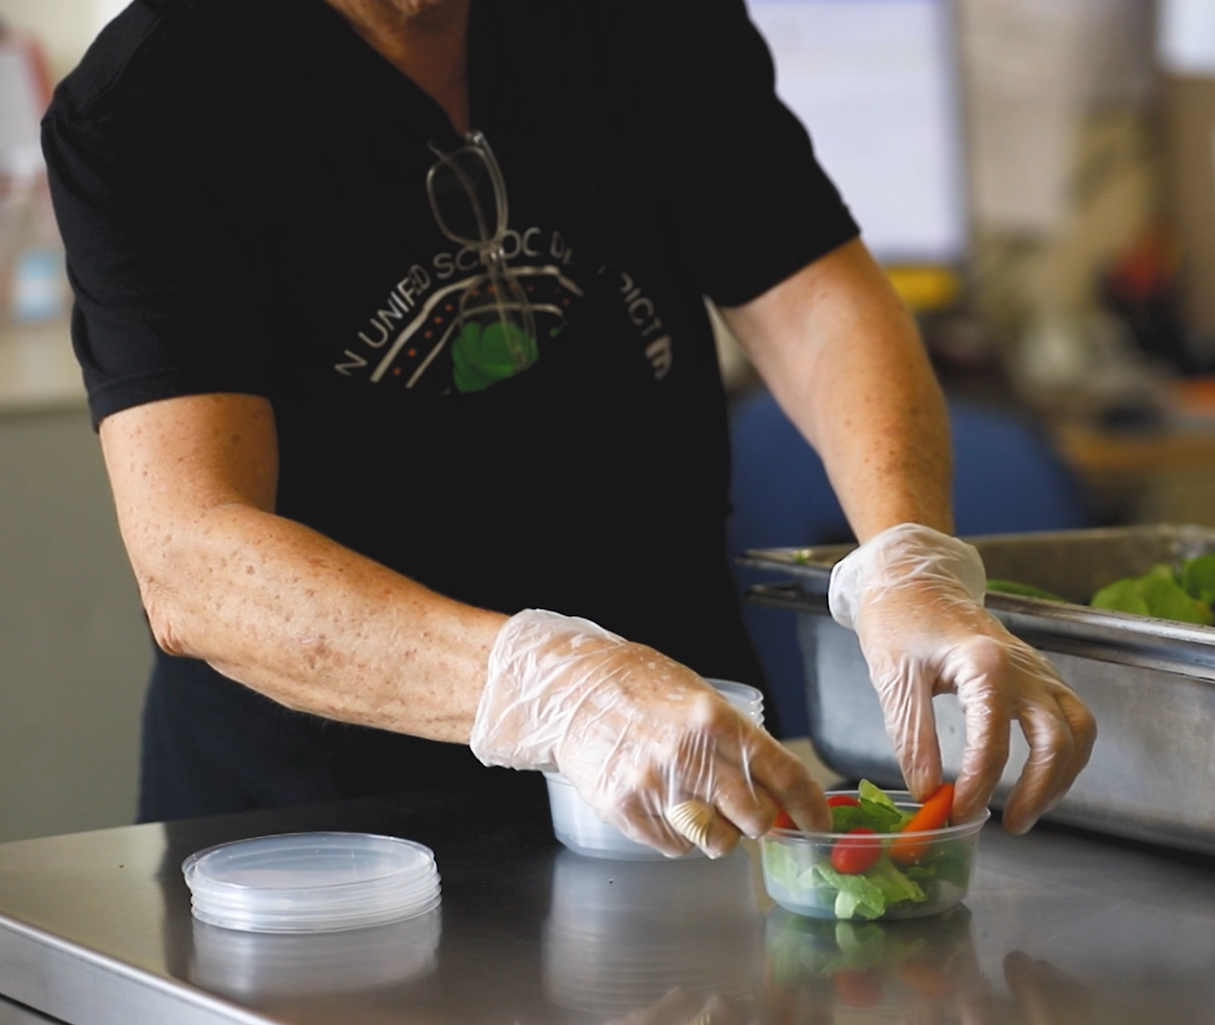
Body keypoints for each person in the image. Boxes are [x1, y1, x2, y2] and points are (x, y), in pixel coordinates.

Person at [42, 0, 1095, 857]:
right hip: (319, 827)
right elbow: (193, 560)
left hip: (679, 793)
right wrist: (552, 685)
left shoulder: (641, 22)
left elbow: (817, 306)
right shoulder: (151, 106)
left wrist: (906, 554)